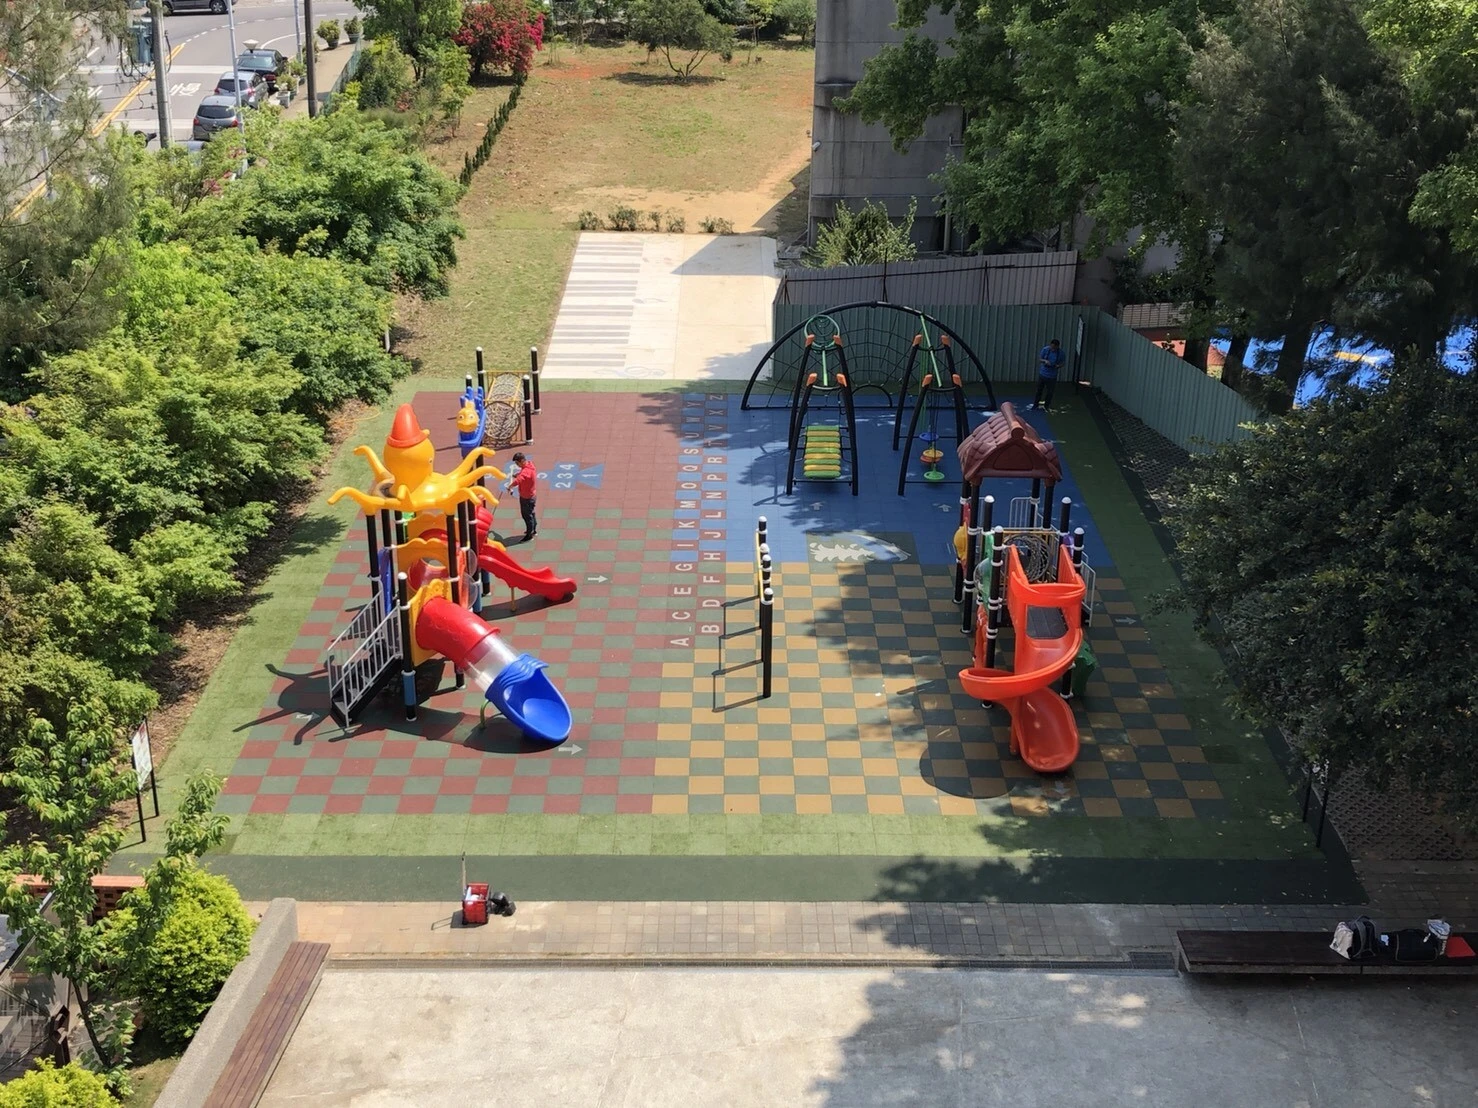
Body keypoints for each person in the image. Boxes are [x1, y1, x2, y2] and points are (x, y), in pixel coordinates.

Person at [504, 452, 537, 541]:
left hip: (526, 498)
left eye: (517, 463)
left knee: (527, 516)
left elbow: (518, 480)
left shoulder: (524, 472)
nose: (516, 465)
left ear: (522, 461)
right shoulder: (530, 465)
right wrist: (518, 474)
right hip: (532, 495)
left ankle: (529, 535)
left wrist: (510, 486)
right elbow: (523, 475)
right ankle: (533, 530)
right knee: (531, 513)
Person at [1032, 338, 1065, 411]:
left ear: (1057, 347)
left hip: (1052, 376)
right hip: (1043, 374)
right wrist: (1045, 361)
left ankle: (1046, 406)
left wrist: (1058, 366)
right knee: (1039, 390)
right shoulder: (1045, 350)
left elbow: (1063, 363)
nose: (1052, 349)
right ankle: (1035, 405)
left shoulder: (1061, 353)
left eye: (1054, 348)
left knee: (1050, 392)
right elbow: (1040, 359)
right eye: (1051, 347)